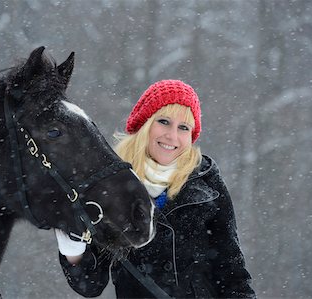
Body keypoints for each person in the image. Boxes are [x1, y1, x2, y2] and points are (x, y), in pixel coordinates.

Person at [55, 80, 256, 298]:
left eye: (183, 128)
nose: (172, 135)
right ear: (145, 124)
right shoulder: (109, 187)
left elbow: (232, 272)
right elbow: (90, 284)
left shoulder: (206, 181)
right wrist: (71, 245)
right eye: (164, 121)